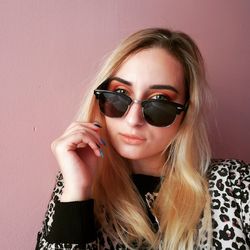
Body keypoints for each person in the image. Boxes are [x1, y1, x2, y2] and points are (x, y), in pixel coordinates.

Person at [35, 28, 249, 250]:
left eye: (159, 100)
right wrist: (76, 192)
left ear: (186, 112)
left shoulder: (234, 184)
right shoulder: (75, 186)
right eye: (120, 94)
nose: (133, 120)